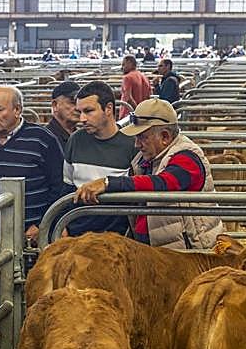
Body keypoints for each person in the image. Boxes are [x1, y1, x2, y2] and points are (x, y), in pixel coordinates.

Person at [74, 98, 224, 250]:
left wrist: (108, 183)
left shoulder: (186, 157)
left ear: (165, 137)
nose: (137, 144)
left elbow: (163, 183)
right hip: (160, 249)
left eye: (142, 137)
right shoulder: (145, 159)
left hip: (190, 253)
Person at [0, 85, 66, 310]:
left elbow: (58, 185)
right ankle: (3, 340)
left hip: (31, 237)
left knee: (36, 291)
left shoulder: (43, 139)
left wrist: (42, 226)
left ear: (17, 110)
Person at [62, 81, 137, 236]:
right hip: (77, 230)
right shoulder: (75, 140)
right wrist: (62, 226)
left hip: (117, 237)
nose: (82, 119)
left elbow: (137, 193)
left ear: (108, 108)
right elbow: (66, 187)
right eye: (80, 112)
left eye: (88, 111)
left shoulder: (132, 144)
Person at [46, 80, 80, 149]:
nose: (77, 108)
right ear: (55, 105)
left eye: (79, 103)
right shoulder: (45, 138)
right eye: (72, 102)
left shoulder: (82, 136)